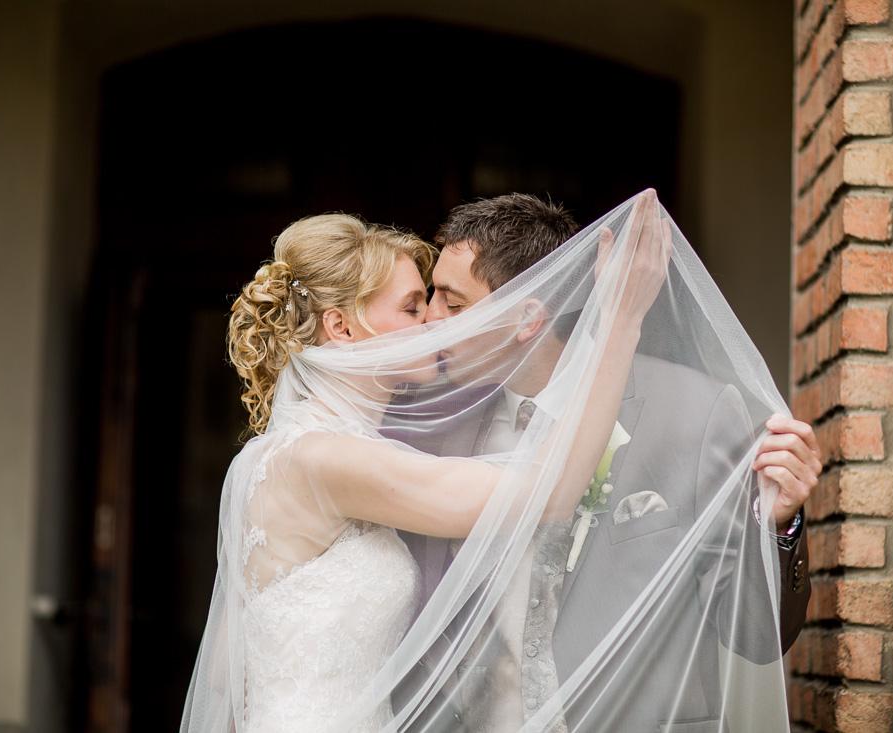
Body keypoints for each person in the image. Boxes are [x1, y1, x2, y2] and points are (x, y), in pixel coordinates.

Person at [181, 195, 673, 732]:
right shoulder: (324, 458)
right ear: (343, 328)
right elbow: (547, 492)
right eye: (414, 307)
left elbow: (229, 671)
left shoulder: (299, 450)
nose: (436, 321)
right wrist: (621, 321)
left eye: (440, 302)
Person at [391, 193, 819, 731]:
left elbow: (758, 636)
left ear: (526, 318)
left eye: (453, 305)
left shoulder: (694, 412)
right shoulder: (437, 432)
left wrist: (779, 527)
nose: (430, 319)